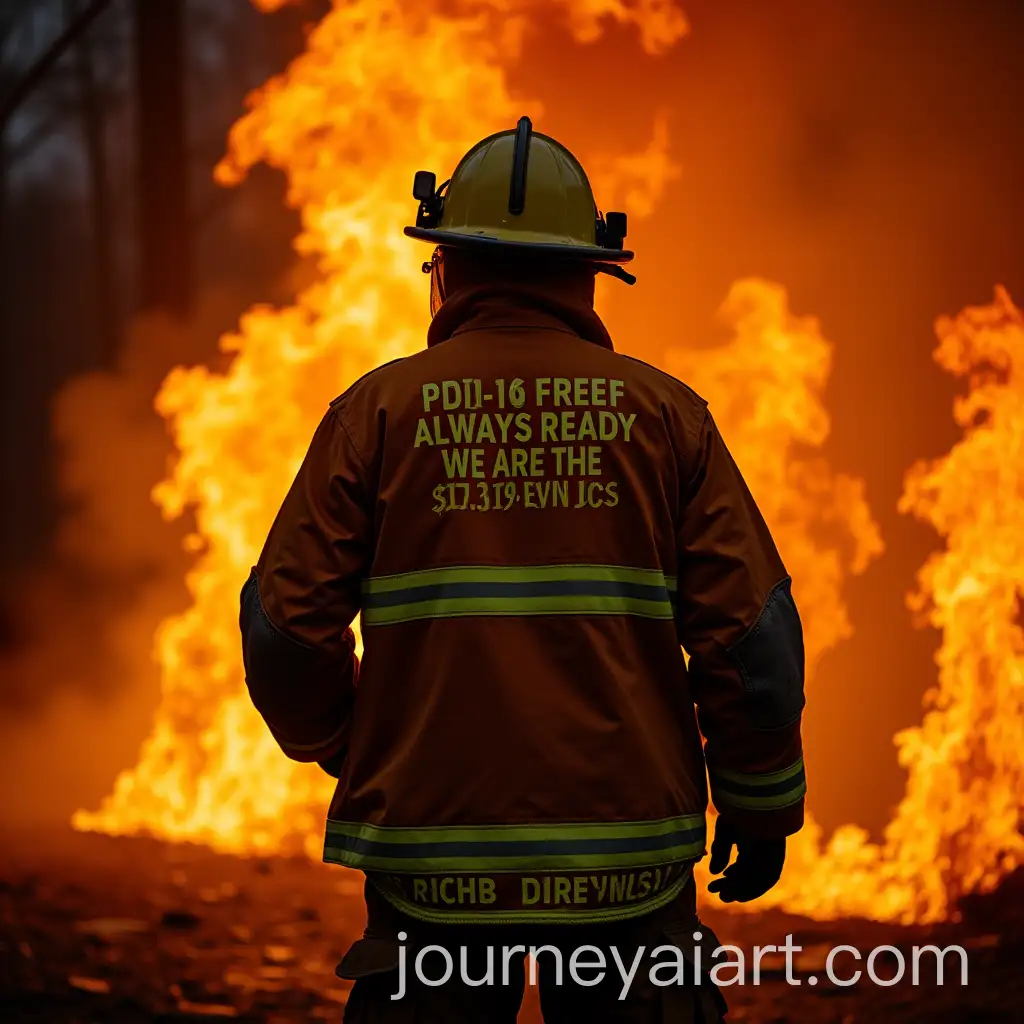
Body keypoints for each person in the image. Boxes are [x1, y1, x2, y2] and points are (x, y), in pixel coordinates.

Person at [239, 117, 806, 1023]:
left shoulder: (375, 415)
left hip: (432, 867)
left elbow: (284, 634)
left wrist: (355, 747)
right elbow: (754, 652)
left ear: (445, 268)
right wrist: (759, 804)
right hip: (629, 870)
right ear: (589, 274)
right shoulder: (668, 418)